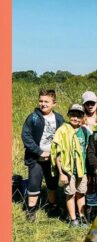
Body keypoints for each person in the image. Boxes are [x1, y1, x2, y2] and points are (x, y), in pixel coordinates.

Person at [21, 89, 65, 222]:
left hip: (52, 159)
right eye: (41, 101)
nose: (43, 104)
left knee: (52, 185)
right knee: (34, 184)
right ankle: (31, 210)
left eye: (47, 101)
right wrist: (40, 152)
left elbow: (63, 136)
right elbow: (26, 136)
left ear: (54, 103)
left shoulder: (59, 118)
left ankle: (53, 206)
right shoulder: (33, 117)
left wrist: (58, 154)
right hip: (36, 159)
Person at [50, 104, 90, 227]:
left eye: (78, 116)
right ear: (68, 115)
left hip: (81, 169)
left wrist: (88, 171)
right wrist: (61, 173)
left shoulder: (84, 131)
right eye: (73, 115)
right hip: (68, 171)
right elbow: (57, 154)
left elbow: (88, 150)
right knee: (70, 194)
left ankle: (82, 217)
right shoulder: (62, 130)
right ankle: (73, 219)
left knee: (81, 193)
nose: (75, 118)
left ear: (83, 117)